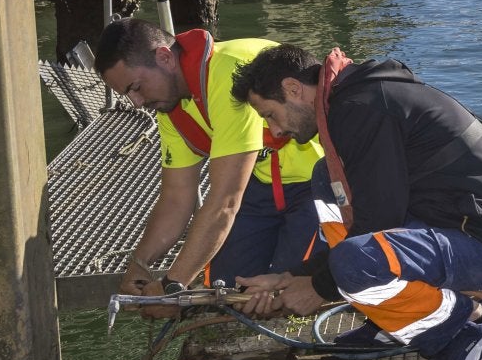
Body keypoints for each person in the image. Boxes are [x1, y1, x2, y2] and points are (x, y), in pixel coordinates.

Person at [227, 43, 482, 360]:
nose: (275, 131)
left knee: (357, 261)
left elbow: (377, 223)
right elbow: (367, 221)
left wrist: (316, 288)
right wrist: (291, 275)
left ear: (293, 89)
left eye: (270, 114)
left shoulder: (360, 108)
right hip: (442, 223)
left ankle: (470, 325)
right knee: (326, 179)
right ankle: (389, 317)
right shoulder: (352, 100)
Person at [95, 20, 324, 307]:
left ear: (164, 58)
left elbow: (225, 202)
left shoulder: (226, 73)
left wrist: (172, 285)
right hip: (259, 184)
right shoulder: (170, 106)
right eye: (128, 95)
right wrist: (139, 264)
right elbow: (176, 198)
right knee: (226, 291)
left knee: (286, 296)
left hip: (315, 182)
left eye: (137, 87)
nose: (137, 103)